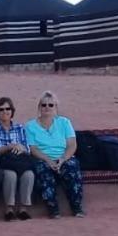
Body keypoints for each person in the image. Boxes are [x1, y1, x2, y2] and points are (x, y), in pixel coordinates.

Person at [26, 90, 86, 219]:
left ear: (56, 107)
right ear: (39, 107)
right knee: (42, 170)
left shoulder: (64, 123)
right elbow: (33, 149)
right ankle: (53, 208)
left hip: (63, 157)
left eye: (51, 105)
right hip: (42, 158)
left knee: (71, 167)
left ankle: (76, 206)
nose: (47, 107)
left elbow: (72, 144)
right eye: (44, 105)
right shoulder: (30, 126)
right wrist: (48, 160)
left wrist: (62, 159)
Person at [0, 96, 35, 221]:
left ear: (12, 111)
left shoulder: (19, 128)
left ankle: (23, 208)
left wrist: (21, 148)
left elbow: (27, 149)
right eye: (1, 109)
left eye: (8, 108)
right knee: (10, 175)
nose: (5, 112)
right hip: (3, 162)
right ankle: (9, 209)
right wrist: (10, 146)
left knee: (29, 174)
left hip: (20, 161)